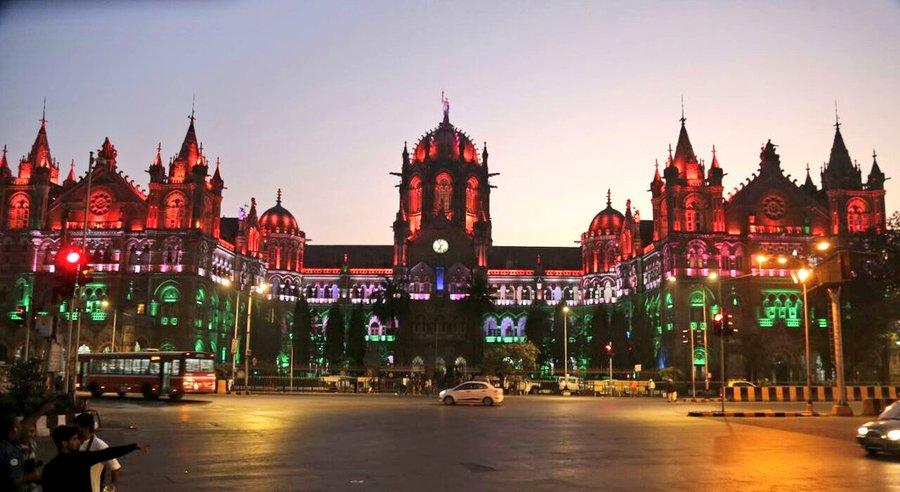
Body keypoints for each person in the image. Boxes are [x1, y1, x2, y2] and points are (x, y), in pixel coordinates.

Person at [41, 425, 147, 492]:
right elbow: (108, 453)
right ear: (64, 443)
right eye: (74, 439)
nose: (78, 442)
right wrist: (134, 446)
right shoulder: (81, 459)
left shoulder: (49, 467)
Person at [75, 413, 121, 492]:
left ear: (86, 428)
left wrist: (113, 486)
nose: (75, 429)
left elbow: (115, 467)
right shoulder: (74, 443)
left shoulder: (100, 445)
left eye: (77, 427)